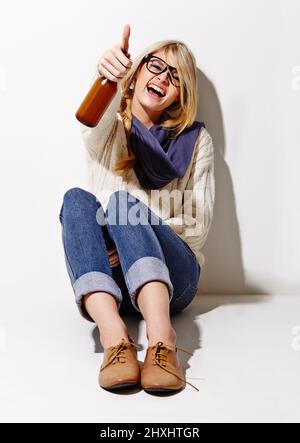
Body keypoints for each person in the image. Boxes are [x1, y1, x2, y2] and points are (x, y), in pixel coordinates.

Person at [59, 24, 215, 393]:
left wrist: (132, 234)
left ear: (180, 95)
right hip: (114, 286)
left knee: (122, 205)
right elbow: (92, 118)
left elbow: (197, 224)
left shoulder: (196, 141)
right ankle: (116, 341)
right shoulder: (109, 127)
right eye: (156, 65)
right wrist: (107, 79)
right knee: (74, 200)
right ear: (138, 71)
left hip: (176, 281)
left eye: (175, 76)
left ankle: (162, 343)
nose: (162, 77)